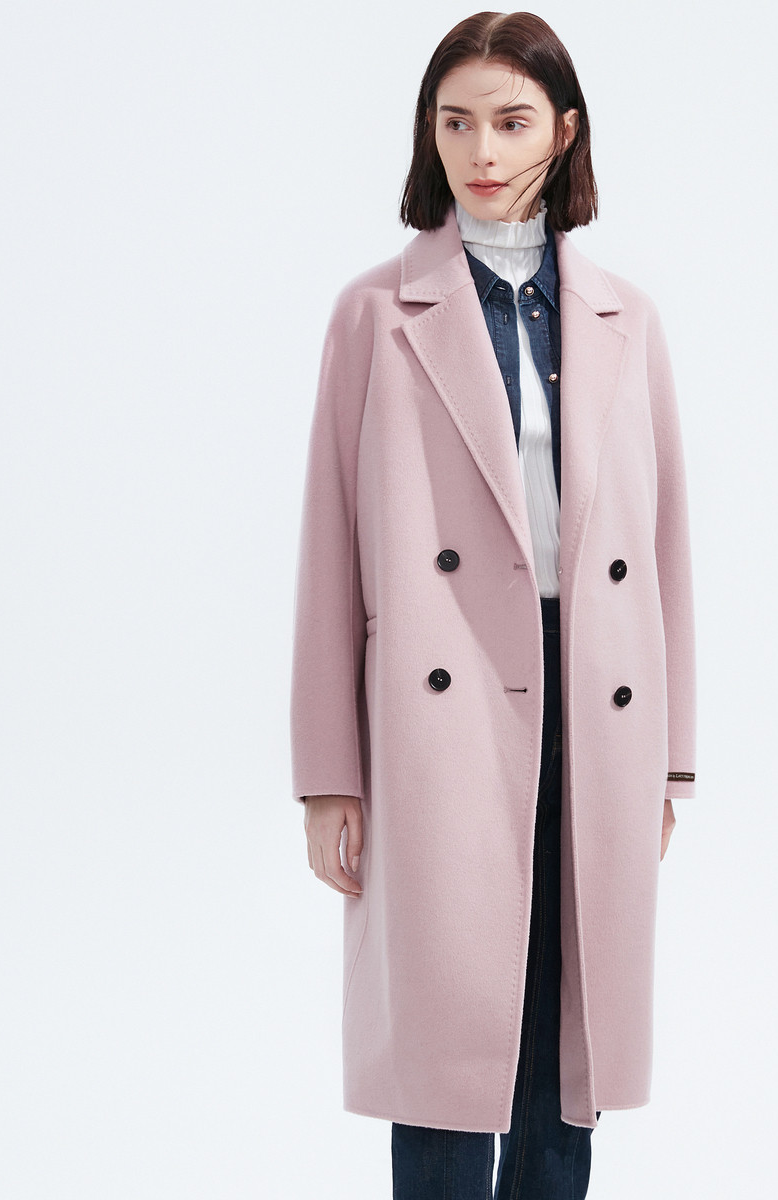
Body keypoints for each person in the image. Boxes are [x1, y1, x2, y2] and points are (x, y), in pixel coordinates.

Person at [290, 12, 696, 1198]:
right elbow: (330, 548)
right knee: (448, 1045)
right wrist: (328, 774)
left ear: (564, 132)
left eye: (512, 122)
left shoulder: (626, 317)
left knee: (569, 1040)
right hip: (443, 699)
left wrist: (671, 760)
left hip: (596, 697)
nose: (481, 149)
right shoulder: (376, 312)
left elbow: (664, 550)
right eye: (456, 121)